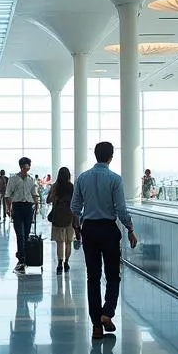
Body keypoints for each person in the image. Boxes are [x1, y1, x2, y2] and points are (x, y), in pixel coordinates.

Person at [71, 141, 137, 341]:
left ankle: (96, 327)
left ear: (95, 155)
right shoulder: (115, 179)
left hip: (89, 229)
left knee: (93, 277)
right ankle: (107, 313)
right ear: (111, 156)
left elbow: (75, 207)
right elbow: (121, 209)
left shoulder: (82, 178)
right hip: (108, 230)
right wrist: (130, 229)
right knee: (113, 275)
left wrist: (78, 228)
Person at [5, 157, 41, 273]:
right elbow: (8, 194)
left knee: (25, 234)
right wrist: (8, 208)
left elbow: (34, 193)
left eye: (29, 165)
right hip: (17, 207)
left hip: (28, 207)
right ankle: (21, 259)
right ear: (21, 166)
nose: (27, 167)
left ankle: (23, 257)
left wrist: (36, 204)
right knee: (20, 234)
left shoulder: (31, 179)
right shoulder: (13, 179)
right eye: (26, 165)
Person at [47, 166, 78, 274]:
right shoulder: (71, 187)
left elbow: (48, 200)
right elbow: (75, 203)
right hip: (69, 216)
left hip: (58, 216)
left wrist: (55, 196)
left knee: (60, 242)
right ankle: (66, 263)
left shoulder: (55, 186)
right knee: (68, 241)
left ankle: (60, 263)